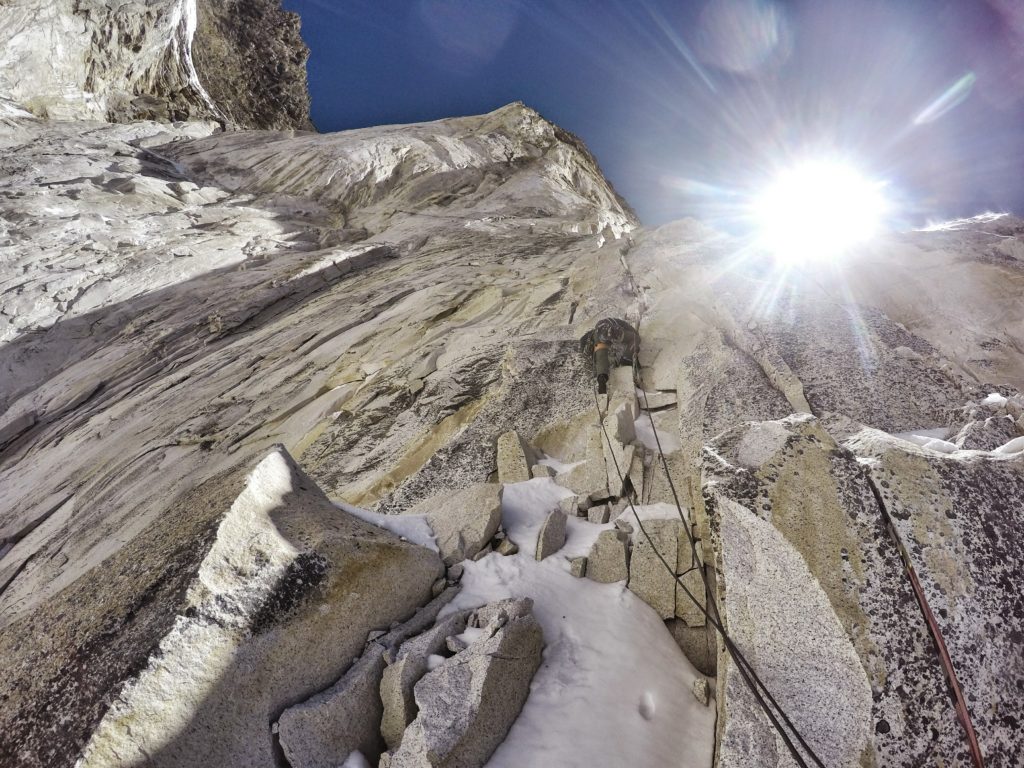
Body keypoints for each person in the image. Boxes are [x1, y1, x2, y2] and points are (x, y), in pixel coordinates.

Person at [579, 318, 640, 394]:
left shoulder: (618, 332)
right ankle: (601, 377)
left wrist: (627, 356)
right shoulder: (598, 337)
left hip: (621, 331)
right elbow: (601, 358)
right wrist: (602, 378)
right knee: (599, 359)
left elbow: (636, 338)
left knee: (624, 354)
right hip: (594, 340)